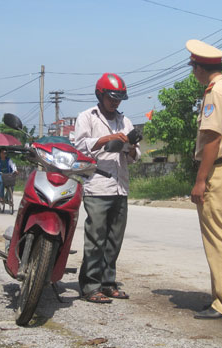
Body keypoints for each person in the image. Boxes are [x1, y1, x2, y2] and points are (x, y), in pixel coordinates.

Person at [186, 39, 222, 320]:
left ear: (200, 67)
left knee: (218, 237)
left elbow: (212, 138)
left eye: (192, 66)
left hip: (218, 171)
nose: (192, 72)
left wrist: (201, 180)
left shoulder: (214, 93)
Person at [74, 73, 141, 304]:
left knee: (114, 239)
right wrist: (106, 139)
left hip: (120, 187)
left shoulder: (125, 121)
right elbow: (80, 148)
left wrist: (130, 146)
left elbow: (134, 157)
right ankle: (90, 286)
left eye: (120, 98)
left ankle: (108, 283)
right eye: (112, 98)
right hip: (98, 186)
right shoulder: (86, 117)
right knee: (96, 238)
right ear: (100, 95)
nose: (116, 102)